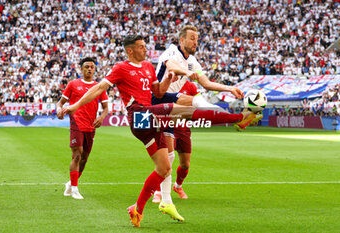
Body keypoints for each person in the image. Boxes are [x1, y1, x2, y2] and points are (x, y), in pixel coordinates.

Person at [61, 35, 259, 227]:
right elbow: (97, 89)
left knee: (164, 168)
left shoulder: (148, 66)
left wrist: (168, 79)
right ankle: (239, 119)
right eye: (141, 47)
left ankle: (137, 209)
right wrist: (75, 105)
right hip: (138, 116)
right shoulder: (121, 68)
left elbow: (158, 93)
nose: (146, 50)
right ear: (130, 51)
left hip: (149, 119)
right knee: (188, 112)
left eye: (145, 46)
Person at [151, 25, 259, 207]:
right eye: (192, 38)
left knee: (168, 159)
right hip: (157, 100)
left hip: (172, 109)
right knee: (197, 103)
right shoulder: (171, 51)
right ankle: (237, 118)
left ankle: (164, 199)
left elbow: (206, 83)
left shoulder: (193, 62)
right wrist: (186, 73)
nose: (195, 41)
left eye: (196, 38)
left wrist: (229, 88)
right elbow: (171, 65)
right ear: (182, 40)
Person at [56, 57, 109, 200]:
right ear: (81, 69)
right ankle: (74, 189)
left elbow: (105, 108)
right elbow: (60, 103)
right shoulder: (73, 84)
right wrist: (58, 110)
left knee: (84, 158)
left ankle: (70, 184)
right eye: (86, 66)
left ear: (95, 69)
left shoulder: (99, 87)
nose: (89, 69)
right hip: (76, 123)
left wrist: (102, 117)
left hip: (91, 125)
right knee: (77, 154)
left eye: (92, 66)